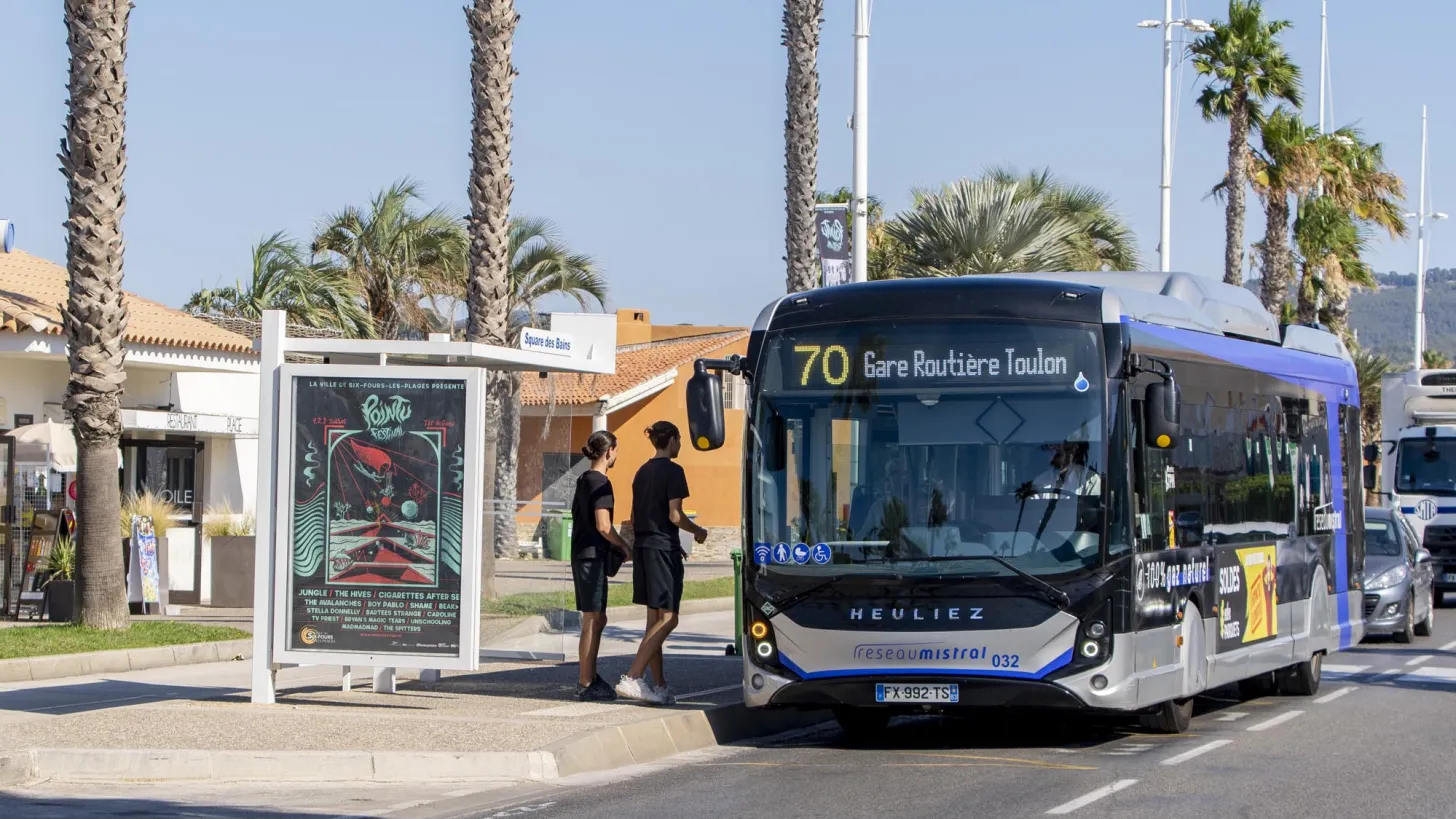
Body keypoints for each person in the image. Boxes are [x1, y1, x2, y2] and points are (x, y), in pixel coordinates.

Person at [616, 421, 708, 705]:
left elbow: (634, 515)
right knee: (670, 617)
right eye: (679, 440)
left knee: (654, 621)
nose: (680, 446)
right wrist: (699, 532)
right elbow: (675, 515)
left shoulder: (641, 472)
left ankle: (658, 686)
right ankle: (632, 677)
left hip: (644, 547)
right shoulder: (674, 471)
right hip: (660, 551)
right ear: (672, 441)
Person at [571, 430, 631, 702]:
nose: (616, 455)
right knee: (593, 620)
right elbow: (604, 525)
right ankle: (586, 682)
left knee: (597, 618)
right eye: (616, 451)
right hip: (592, 558)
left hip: (582, 555)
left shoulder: (584, 479)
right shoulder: (601, 483)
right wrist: (623, 546)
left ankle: (589, 677)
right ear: (609, 452)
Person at [1031, 440, 1102, 498]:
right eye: (1053, 450)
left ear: (1073, 451)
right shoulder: (1039, 482)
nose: (1055, 457)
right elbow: (1032, 511)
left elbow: (1095, 512)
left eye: (1067, 450)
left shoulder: (1091, 481)